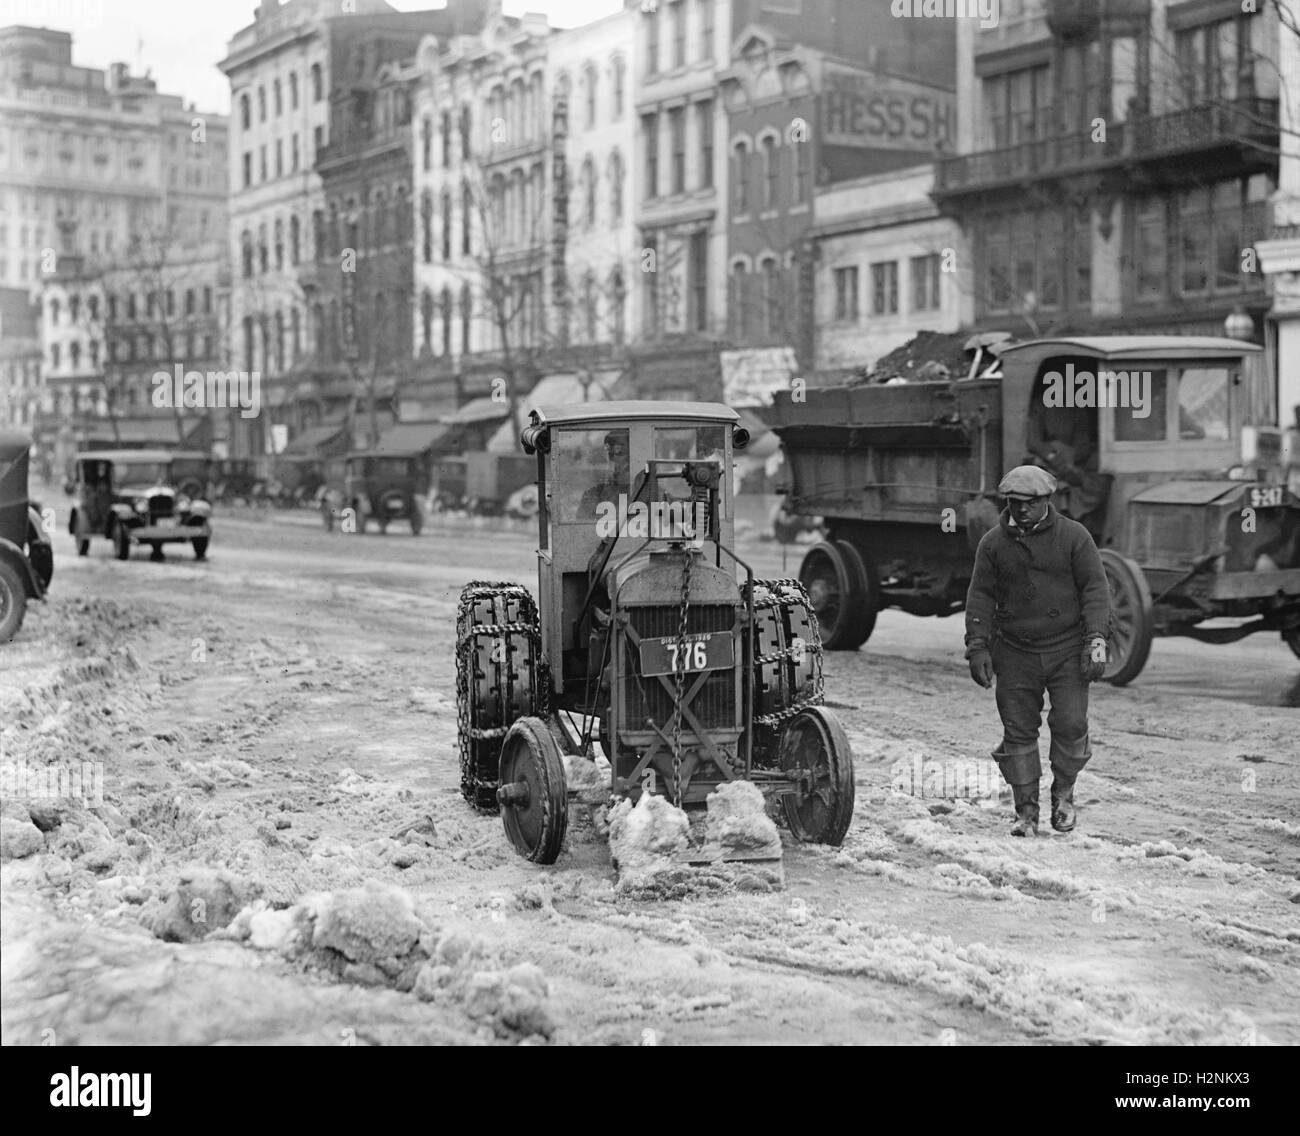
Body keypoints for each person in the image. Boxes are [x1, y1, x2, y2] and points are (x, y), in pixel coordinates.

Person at [964, 465, 1111, 836]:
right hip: (1014, 651)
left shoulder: (1074, 538)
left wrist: (1096, 639)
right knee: (1018, 731)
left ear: (1048, 501)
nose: (1022, 510)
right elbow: (980, 596)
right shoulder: (993, 544)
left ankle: (1063, 797)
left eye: (1031, 503)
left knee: (1072, 723)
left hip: (1067, 649)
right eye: (1015, 503)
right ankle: (1025, 813)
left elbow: (1095, 588)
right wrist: (977, 647)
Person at [579, 430, 630, 516]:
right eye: (610, 453)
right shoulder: (592, 495)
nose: (613, 460)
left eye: (621, 452)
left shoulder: (653, 492)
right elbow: (580, 525)